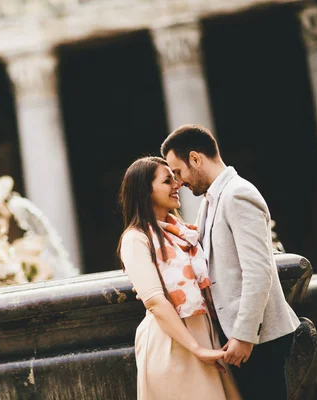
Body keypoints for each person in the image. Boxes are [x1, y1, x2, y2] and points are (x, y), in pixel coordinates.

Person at [160, 124, 300, 400]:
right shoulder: (211, 200)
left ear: (196, 159)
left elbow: (258, 271)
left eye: (178, 172)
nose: (179, 182)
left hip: (259, 339)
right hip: (241, 338)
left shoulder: (237, 194)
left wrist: (244, 336)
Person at [118, 156, 241, 400]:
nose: (177, 185)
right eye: (167, 181)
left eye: (175, 178)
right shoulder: (136, 239)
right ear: (145, 191)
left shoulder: (184, 233)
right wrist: (197, 349)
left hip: (206, 339)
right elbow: (154, 301)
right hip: (173, 345)